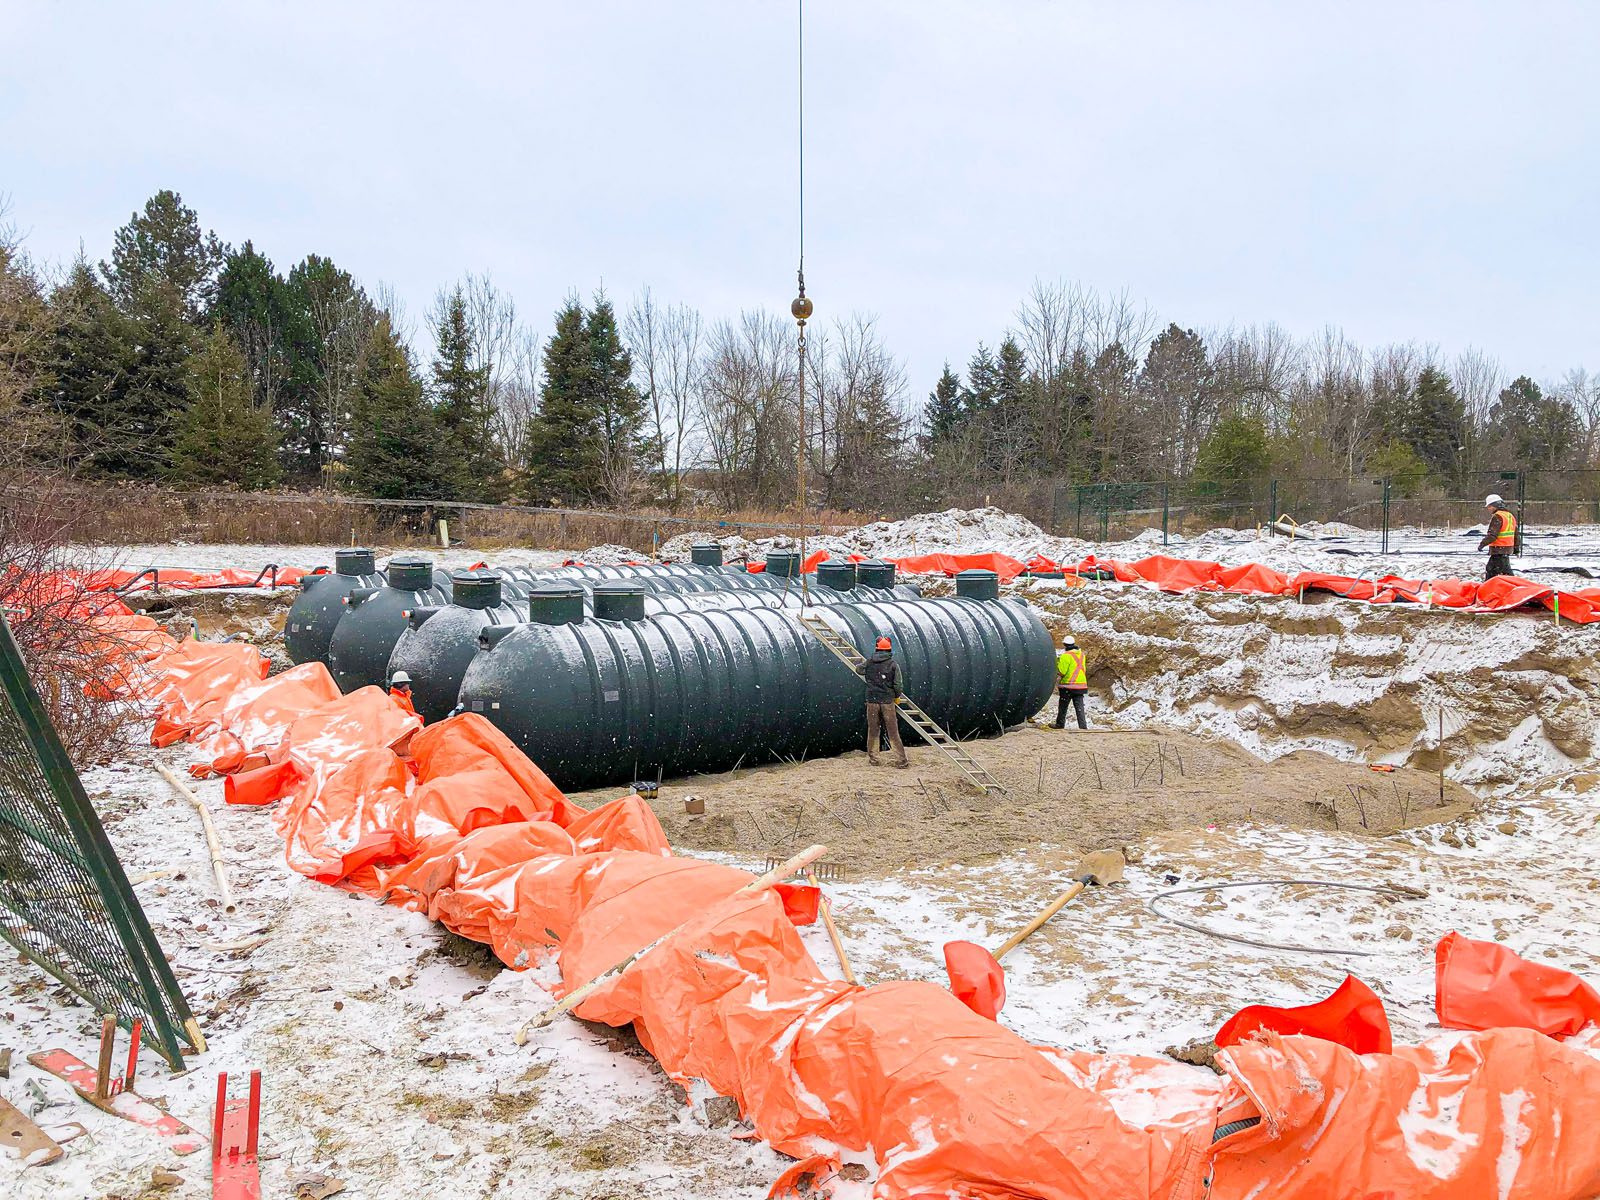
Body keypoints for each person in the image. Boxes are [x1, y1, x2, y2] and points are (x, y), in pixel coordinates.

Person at [862, 635, 908, 768]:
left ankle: (874, 759)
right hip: (887, 701)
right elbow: (898, 684)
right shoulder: (893, 664)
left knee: (873, 730)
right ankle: (901, 760)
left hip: (872, 701)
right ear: (889, 650)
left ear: (876, 648)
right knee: (892, 731)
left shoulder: (870, 662)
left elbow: (859, 669)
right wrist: (897, 696)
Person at [1477, 494, 1518, 580]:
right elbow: (1515, 535)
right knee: (1500, 571)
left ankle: (1488, 589)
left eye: (1489, 506)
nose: (1488, 509)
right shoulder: (1510, 516)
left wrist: (1482, 544)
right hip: (1507, 549)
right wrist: (1516, 549)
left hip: (1498, 549)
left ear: (1495, 506)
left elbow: (1492, 535)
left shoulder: (1497, 516)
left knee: (1493, 571)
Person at [1054, 636, 1088, 730]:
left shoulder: (1065, 656)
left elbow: (1062, 671)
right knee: (1079, 708)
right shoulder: (1081, 655)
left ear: (1065, 645)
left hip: (1068, 686)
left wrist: (1057, 662)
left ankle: (1060, 724)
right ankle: (1083, 726)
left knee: (1063, 707)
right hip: (1081, 686)